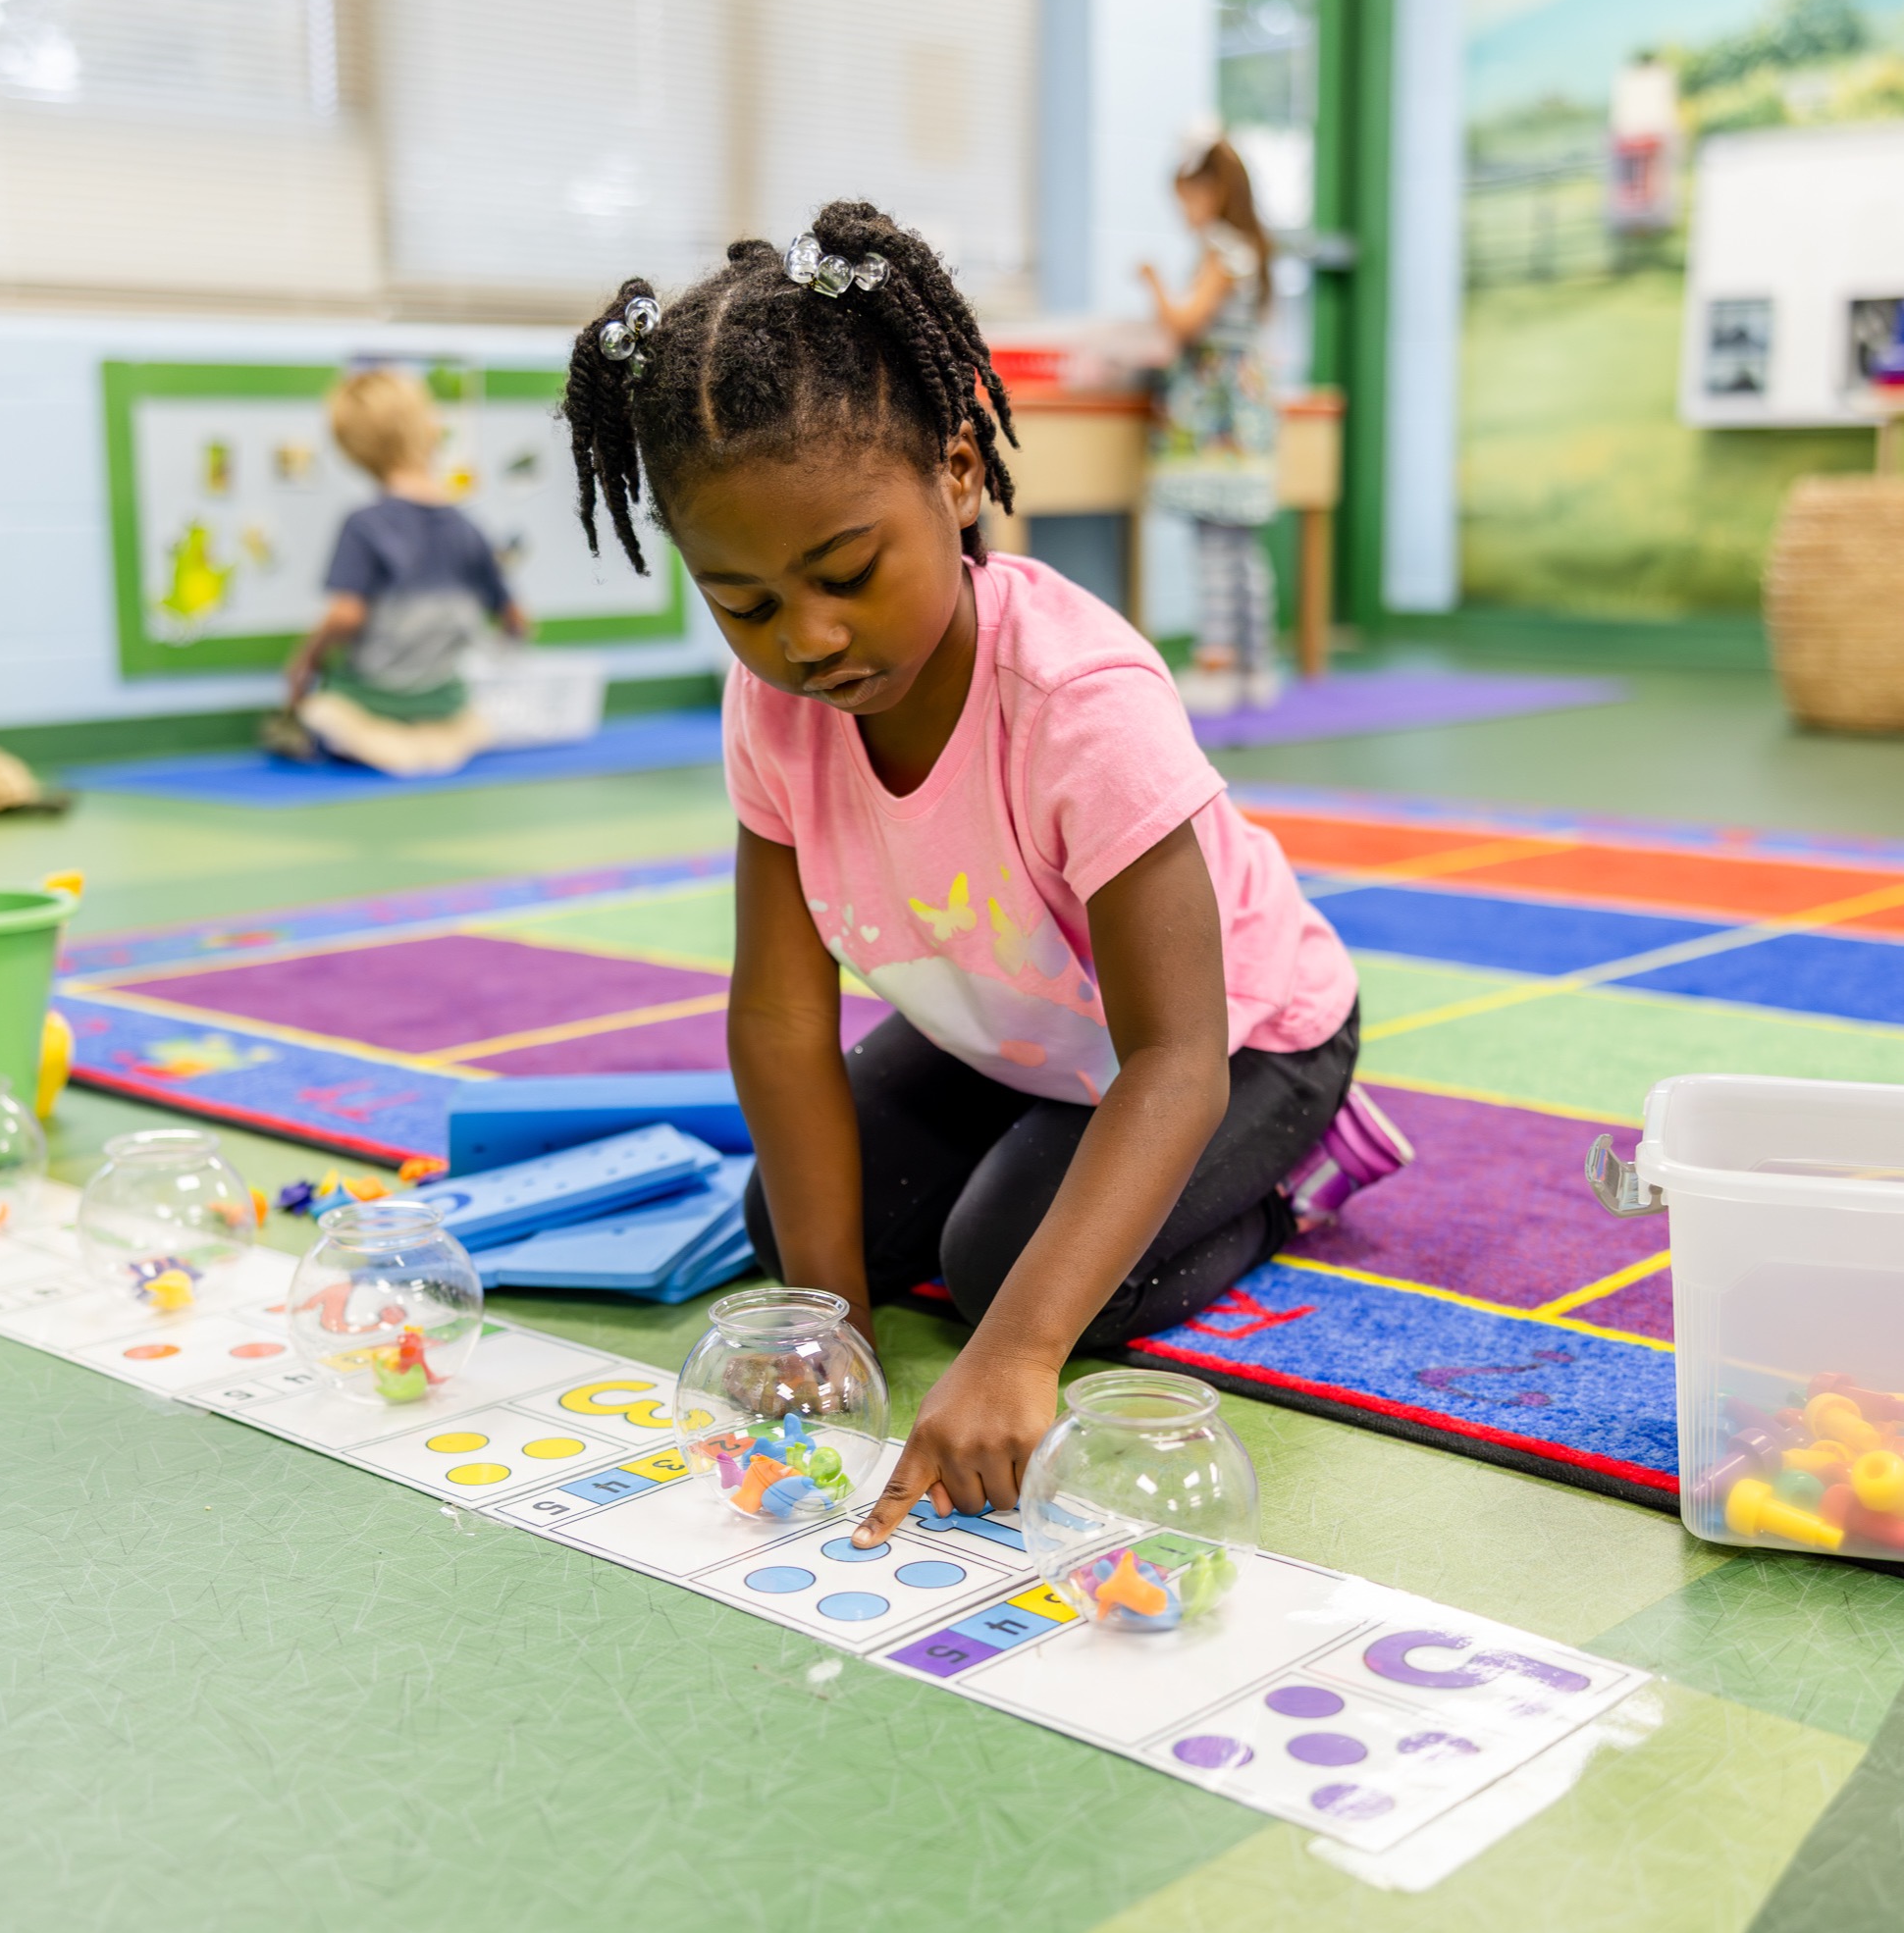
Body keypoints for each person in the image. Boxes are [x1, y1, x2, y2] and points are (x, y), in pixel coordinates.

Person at [559, 202, 1414, 1547]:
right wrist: (830, 1333)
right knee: (791, 1237)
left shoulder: (1076, 699)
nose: (809, 637)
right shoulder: (770, 705)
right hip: (1012, 1026)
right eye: (745, 603)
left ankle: (1288, 1178)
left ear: (956, 473)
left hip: (1240, 1040)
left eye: (845, 571)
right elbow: (781, 1015)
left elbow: (1175, 1055)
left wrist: (1017, 1351)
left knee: (998, 1266)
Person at [271, 366, 529, 776]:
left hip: (377, 702)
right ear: (426, 429)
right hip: (445, 702)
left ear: (353, 448)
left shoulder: (364, 525)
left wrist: (304, 662)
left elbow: (345, 615)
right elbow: (516, 621)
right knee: (465, 718)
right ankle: (436, 739)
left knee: (321, 709)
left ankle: (379, 741)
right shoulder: (468, 529)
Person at [1138, 135, 1283, 714]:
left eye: (1187, 199)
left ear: (1211, 192)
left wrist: (1152, 282)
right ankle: (1256, 663)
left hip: (1218, 419)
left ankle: (1217, 663)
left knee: (1216, 544)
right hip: (1242, 414)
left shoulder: (1220, 250)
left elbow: (1187, 320)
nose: (1183, 213)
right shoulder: (1249, 248)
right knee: (1241, 546)